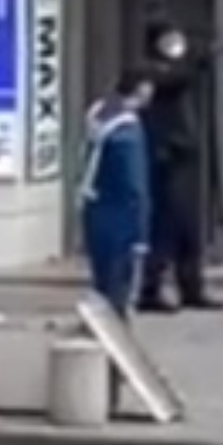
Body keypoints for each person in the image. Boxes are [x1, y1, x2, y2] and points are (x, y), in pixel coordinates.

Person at [136, 24, 223, 313]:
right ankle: (150, 289)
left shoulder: (176, 72)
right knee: (163, 228)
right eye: (169, 40)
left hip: (184, 154)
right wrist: (197, 59)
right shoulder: (149, 72)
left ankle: (191, 287)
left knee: (189, 227)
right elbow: (176, 78)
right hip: (164, 157)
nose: (176, 45)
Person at [81, 71, 155, 316]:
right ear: (141, 89)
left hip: (94, 203)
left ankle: (101, 322)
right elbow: (134, 183)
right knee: (120, 280)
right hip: (122, 211)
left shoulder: (98, 114)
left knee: (101, 275)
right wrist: (141, 227)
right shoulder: (127, 132)